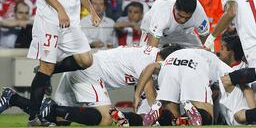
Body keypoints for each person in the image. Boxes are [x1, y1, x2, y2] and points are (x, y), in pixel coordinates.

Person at [25, 0, 101, 126]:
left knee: (86, 60)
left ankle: (44, 70)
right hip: (50, 20)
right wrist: (60, 10)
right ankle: (34, 118)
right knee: (47, 68)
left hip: (70, 23)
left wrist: (91, 10)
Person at [0, 45, 181, 127]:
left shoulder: (150, 55)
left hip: (84, 71)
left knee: (61, 120)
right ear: (166, 60)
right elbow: (151, 98)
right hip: (90, 73)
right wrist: (159, 119)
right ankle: (52, 108)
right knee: (106, 119)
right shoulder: (147, 61)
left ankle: (12, 98)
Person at [141, 0, 210, 48]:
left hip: (182, 31)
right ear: (174, 7)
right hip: (153, 29)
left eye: (187, 18)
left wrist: (208, 52)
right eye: (180, 15)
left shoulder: (199, 12)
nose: (183, 20)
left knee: (202, 54)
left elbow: (206, 41)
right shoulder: (162, 12)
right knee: (146, 56)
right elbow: (151, 49)